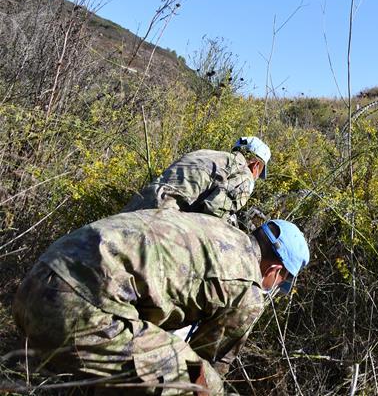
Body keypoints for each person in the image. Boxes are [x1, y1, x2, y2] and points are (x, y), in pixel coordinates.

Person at [13, 209, 309, 394]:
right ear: (275, 270)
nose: (276, 288)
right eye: (281, 284)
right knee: (201, 381)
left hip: (35, 284)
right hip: (67, 309)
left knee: (151, 351)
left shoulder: (215, 227)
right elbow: (207, 364)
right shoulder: (248, 285)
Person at [123, 136, 271, 223]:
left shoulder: (205, 153)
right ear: (256, 165)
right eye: (259, 172)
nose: (256, 177)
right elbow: (213, 213)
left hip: (135, 207)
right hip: (161, 219)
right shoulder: (244, 172)